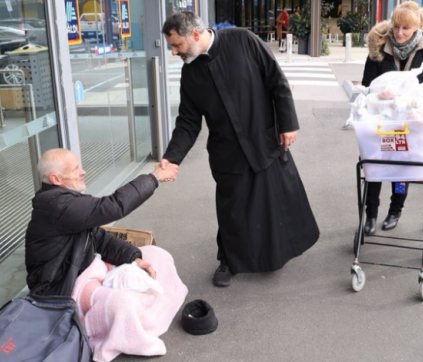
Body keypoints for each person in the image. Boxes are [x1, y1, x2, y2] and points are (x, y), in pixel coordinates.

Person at [160, 12, 319, 287]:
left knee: (277, 201)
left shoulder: (243, 40)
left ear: (195, 35)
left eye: (177, 46)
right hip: (227, 153)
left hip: (264, 140)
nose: (174, 52)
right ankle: (229, 261)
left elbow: (276, 81)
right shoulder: (190, 74)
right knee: (233, 211)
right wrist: (172, 159)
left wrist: (288, 123)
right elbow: (187, 122)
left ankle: (280, 250)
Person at [25, 148, 186, 361]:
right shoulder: (57, 206)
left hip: (90, 267)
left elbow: (98, 237)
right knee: (121, 303)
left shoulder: (64, 200)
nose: (83, 172)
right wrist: (154, 177)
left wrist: (133, 257)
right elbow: (113, 206)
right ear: (56, 178)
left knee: (157, 256)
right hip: (68, 285)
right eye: (75, 169)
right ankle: (131, 325)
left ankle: (142, 313)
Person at [361, 1, 423, 235]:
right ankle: (371, 213)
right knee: (375, 167)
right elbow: (367, 87)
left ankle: (395, 210)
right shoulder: (378, 50)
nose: (399, 33)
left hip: (411, 122)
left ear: (417, 27)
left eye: (406, 28)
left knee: (402, 170)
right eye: (396, 26)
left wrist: (416, 103)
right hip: (381, 120)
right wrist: (380, 94)